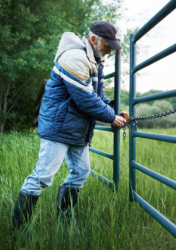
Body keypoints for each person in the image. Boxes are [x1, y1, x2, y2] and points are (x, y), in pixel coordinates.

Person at [11, 21, 127, 231]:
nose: (110, 51)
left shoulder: (94, 61)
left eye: (112, 46)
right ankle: (18, 231)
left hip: (75, 127)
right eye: (107, 45)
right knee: (43, 176)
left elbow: (97, 96)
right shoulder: (75, 58)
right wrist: (111, 118)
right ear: (93, 40)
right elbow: (86, 100)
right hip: (59, 127)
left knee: (81, 172)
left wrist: (115, 111)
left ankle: (65, 222)